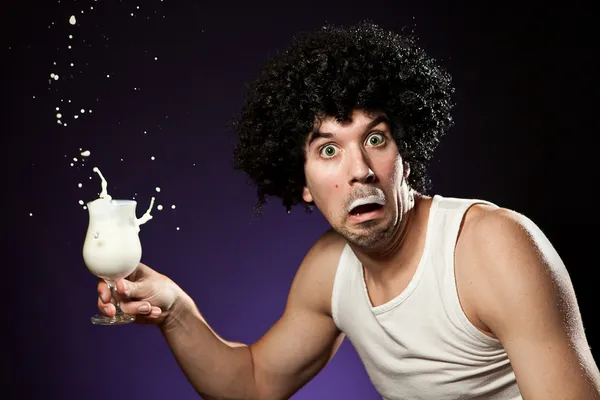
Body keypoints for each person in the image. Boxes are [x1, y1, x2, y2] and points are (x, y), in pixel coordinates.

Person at [97, 21, 600, 399]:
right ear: (304, 184)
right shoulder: (329, 271)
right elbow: (252, 384)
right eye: (329, 150)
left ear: (406, 151)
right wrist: (174, 310)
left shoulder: (493, 247)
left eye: (375, 139)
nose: (359, 169)